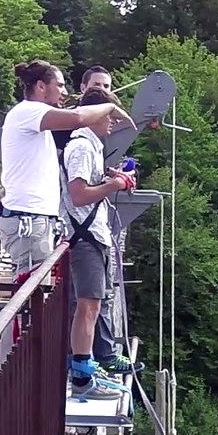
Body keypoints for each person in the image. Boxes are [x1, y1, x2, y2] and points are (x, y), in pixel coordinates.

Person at [0, 60, 132, 277]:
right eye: (59, 85)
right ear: (41, 87)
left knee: (35, 291)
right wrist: (110, 107)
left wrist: (105, 174)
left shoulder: (33, 119)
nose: (64, 91)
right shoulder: (29, 111)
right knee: (31, 293)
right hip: (29, 218)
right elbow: (78, 118)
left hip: (34, 218)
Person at [61, 87, 137, 400]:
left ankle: (87, 369)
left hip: (92, 236)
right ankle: (82, 377)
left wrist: (109, 176)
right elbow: (78, 194)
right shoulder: (81, 147)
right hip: (85, 238)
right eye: (110, 117)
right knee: (89, 306)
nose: (112, 124)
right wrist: (114, 184)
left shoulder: (89, 147)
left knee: (93, 304)